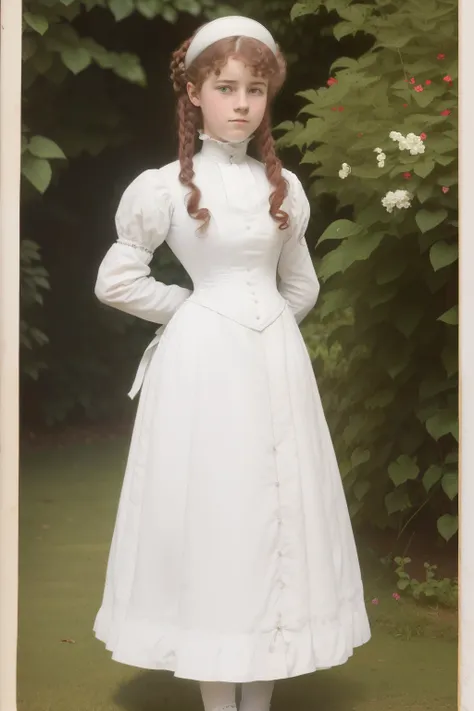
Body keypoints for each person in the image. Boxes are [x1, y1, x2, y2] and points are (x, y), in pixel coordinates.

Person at [92, 15, 371, 711]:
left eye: (255, 88)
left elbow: (301, 287)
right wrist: (194, 311)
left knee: (277, 510)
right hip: (203, 373)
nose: (242, 102)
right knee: (218, 512)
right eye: (225, 87)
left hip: (273, 368)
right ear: (194, 92)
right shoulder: (163, 187)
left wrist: (265, 327)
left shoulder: (286, 189)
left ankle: (261, 695)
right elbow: (115, 278)